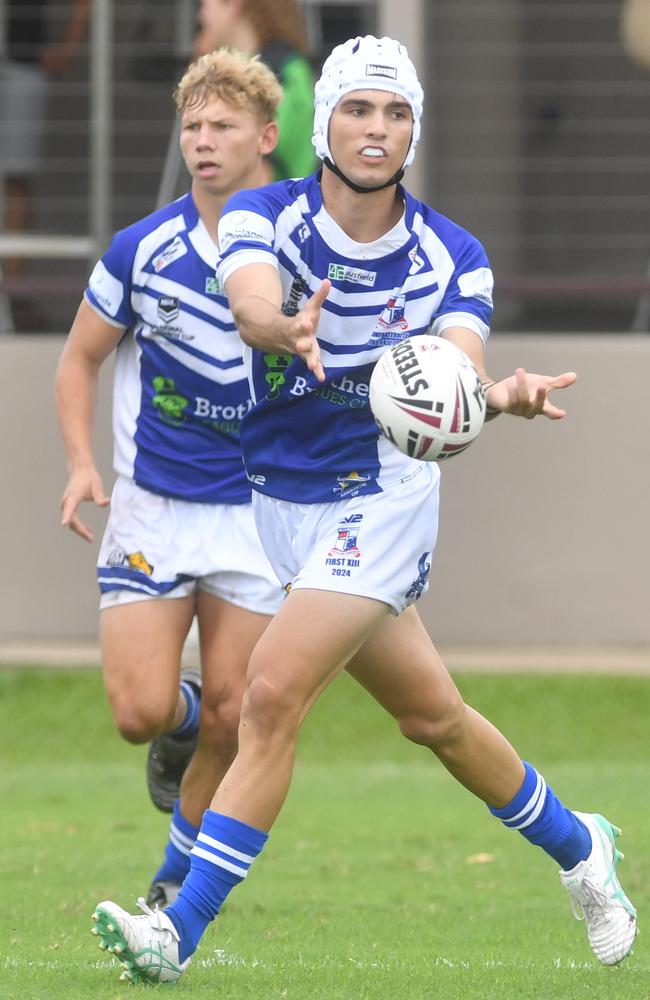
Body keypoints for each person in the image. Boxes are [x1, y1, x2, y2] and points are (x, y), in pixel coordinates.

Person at [90, 35, 637, 984]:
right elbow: (254, 300)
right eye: (358, 108)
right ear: (325, 121)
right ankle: (580, 846)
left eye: (396, 112)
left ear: (413, 129)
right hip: (278, 503)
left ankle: (175, 928)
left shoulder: (452, 254)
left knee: (268, 696)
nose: (377, 128)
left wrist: (491, 396)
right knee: (436, 720)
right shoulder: (263, 215)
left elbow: (456, 365)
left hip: (382, 499)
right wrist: (281, 326)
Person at [56, 49, 285, 909]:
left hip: (258, 514)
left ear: (265, 136)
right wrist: (83, 463)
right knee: (139, 711)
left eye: (222, 125)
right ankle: (176, 721)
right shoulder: (142, 248)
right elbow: (78, 361)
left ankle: (172, 883)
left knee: (240, 711)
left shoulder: (297, 246)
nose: (203, 140)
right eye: (192, 125)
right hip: (153, 508)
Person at [1, 0, 90, 329]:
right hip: (22, 66)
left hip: (23, 65)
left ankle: (13, 295)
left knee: (17, 180)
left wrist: (66, 48)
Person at [194, 0, 317, 181]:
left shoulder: (287, 72)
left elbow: (271, 161)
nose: (201, 16)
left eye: (205, 5)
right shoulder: (224, 71)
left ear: (233, 5)